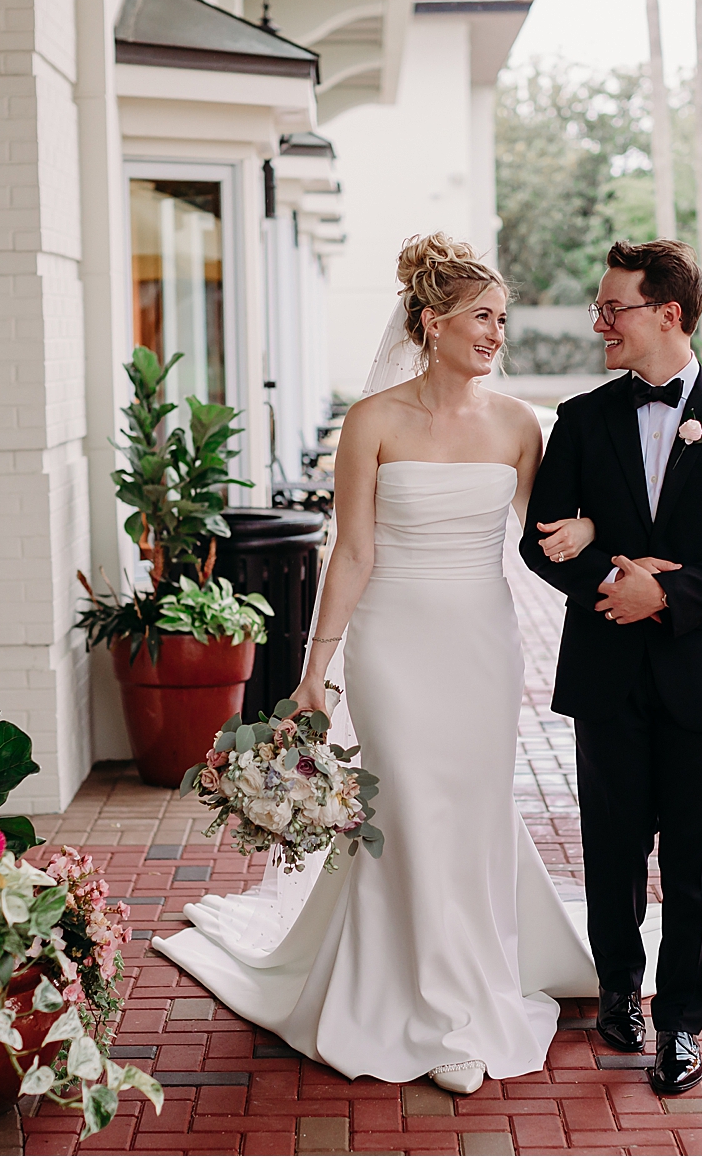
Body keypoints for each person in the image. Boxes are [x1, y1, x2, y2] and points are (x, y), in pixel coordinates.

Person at [152, 234, 602, 1096]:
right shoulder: (374, 421)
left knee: (468, 808)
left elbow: (545, 538)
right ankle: (432, 1010)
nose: (496, 333)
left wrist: (589, 535)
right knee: (405, 805)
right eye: (481, 316)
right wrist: (316, 669)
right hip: (393, 645)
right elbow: (350, 553)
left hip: (483, 645)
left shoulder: (518, 425)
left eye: (502, 319)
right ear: (430, 323)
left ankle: (473, 978)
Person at [518, 239, 702, 1095]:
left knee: (698, 860)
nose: (601, 323)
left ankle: (681, 1025)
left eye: (613, 308)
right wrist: (611, 578)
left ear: (667, 313)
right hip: (607, 670)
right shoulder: (583, 417)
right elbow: (541, 537)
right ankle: (620, 992)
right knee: (612, 849)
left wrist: (664, 595)